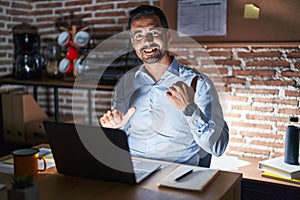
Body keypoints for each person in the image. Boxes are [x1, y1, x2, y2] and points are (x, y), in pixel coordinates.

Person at [99, 5, 229, 166]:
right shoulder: (125, 84)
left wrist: (190, 109)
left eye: (154, 33)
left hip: (177, 176)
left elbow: (219, 147)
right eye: (139, 35)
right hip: (132, 172)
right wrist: (115, 129)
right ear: (133, 42)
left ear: (168, 36)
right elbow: (121, 138)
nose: (147, 42)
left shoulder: (197, 83)